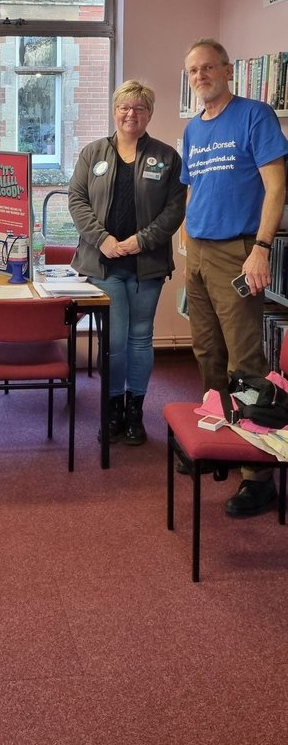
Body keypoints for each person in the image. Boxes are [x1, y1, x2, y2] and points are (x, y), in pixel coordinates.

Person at [181, 39, 288, 516]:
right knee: (207, 353)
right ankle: (221, 441)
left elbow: (276, 185)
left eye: (208, 68)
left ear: (227, 71)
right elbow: (193, 189)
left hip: (238, 252)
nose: (200, 76)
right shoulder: (192, 129)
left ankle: (257, 475)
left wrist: (261, 249)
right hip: (199, 253)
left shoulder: (254, 115)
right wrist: (186, 238)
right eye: (193, 71)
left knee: (245, 359)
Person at [68, 80, 186, 444]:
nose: (130, 114)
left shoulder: (167, 157)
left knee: (140, 339)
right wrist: (102, 240)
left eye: (139, 108)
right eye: (124, 107)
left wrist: (141, 241)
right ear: (114, 110)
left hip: (146, 264)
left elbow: (174, 209)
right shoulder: (93, 153)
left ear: (149, 113)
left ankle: (136, 411)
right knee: (115, 341)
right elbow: (76, 199)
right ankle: (113, 407)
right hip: (103, 264)